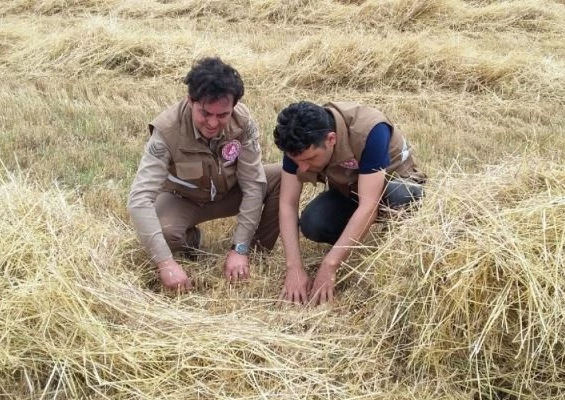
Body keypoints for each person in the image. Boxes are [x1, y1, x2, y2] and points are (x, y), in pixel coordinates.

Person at [127, 57, 281, 292]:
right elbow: (139, 200)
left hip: (230, 191)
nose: (212, 123)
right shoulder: (167, 131)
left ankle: (256, 253)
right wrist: (165, 263)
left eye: (222, 115)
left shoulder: (243, 121)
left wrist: (240, 248)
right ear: (190, 101)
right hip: (185, 198)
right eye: (205, 113)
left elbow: (252, 184)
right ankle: (190, 241)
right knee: (166, 235)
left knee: (281, 178)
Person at [273, 101, 425, 305]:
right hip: (350, 189)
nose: (302, 167)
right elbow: (287, 204)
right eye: (296, 160)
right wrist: (294, 268)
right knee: (313, 222)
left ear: (331, 139)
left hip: (394, 184)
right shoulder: (297, 143)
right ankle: (354, 237)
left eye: (310, 159)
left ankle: (398, 246)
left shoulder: (371, 129)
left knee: (401, 195)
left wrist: (330, 264)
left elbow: (369, 206)